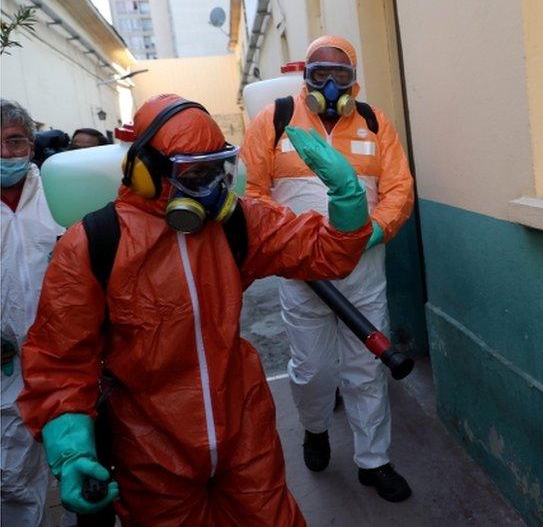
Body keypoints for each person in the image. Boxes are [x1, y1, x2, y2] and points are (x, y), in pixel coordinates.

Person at [17, 93, 373, 525]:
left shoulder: (235, 223)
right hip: (152, 446)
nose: (210, 187)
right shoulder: (95, 242)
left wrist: (348, 198)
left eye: (217, 168)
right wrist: (72, 450)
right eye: (193, 172)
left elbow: (327, 254)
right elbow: (59, 361)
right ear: (145, 170)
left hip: (244, 430)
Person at [242, 35, 415, 502]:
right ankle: (315, 428)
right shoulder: (274, 120)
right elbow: (252, 195)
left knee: (366, 368)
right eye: (321, 74)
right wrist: (288, 244)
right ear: (306, 78)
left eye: (341, 76)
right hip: (302, 276)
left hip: (363, 271)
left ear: (354, 82)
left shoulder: (376, 123)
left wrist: (374, 231)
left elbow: (399, 188)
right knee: (313, 369)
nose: (332, 85)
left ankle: (373, 461)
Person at [1, 99, 60, 526]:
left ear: (32, 145)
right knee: (11, 471)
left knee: (83, 453)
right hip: (4, 363)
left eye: (14, 140)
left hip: (64, 353)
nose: (6, 154)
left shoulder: (58, 192)